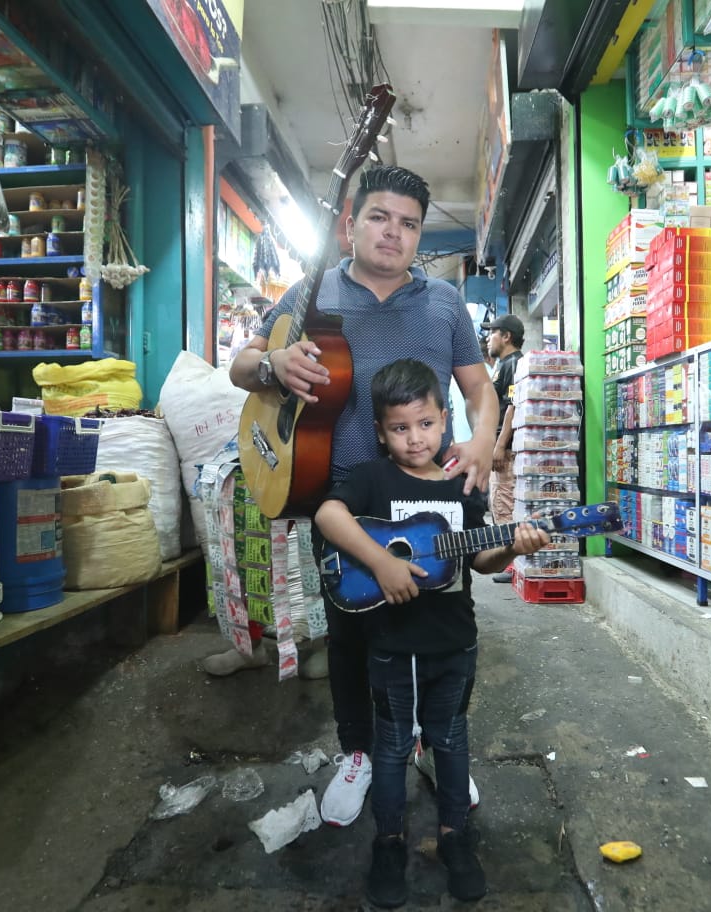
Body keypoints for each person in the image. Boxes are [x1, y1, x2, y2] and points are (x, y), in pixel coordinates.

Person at [227, 165, 499, 827]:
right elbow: (241, 364)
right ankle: (360, 750)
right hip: (341, 497)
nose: (393, 233)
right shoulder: (312, 293)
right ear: (351, 223)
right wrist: (272, 367)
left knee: (443, 627)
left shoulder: (442, 304)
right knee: (351, 629)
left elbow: (479, 389)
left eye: (409, 224)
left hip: (427, 496)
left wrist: (485, 440)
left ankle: (441, 745)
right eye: (380, 217)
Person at [314, 359, 549, 907]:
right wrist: (382, 563)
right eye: (399, 428)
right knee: (391, 750)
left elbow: (482, 559)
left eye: (424, 424)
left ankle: (454, 838)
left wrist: (515, 545)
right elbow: (328, 515)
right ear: (380, 432)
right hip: (393, 648)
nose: (414, 438)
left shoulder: (461, 482)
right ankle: (389, 841)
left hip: (453, 641)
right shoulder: (373, 480)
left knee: (451, 738)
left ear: (445, 420)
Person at [482, 314, 524, 581]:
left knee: (504, 502)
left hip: (505, 449)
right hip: (499, 446)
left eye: (493, 332)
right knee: (499, 503)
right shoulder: (504, 364)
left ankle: (512, 564)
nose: (488, 338)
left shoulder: (514, 363)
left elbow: (512, 406)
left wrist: (499, 446)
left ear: (506, 336)